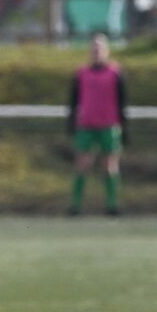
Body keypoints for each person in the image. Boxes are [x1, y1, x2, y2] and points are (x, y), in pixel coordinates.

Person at [68, 32, 127, 216]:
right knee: (82, 164)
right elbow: (73, 100)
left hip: (109, 125)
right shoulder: (81, 74)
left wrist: (125, 126)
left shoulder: (115, 73)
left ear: (107, 50)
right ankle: (75, 205)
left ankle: (112, 205)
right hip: (86, 124)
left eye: (100, 48)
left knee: (109, 165)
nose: (97, 51)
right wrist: (70, 121)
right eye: (94, 48)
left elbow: (122, 101)